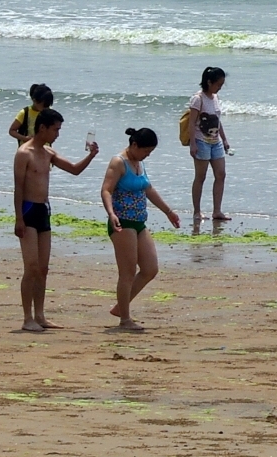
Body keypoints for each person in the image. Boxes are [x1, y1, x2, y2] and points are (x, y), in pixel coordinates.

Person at [10, 108, 98, 333]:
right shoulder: (24, 153)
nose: (58, 134)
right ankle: (27, 317)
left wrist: (91, 155)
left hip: (44, 211)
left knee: (43, 268)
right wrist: (19, 218)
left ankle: (40, 315)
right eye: (55, 129)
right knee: (30, 267)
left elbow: (74, 170)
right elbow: (18, 187)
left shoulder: (49, 153)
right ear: (43, 128)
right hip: (28, 210)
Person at [98, 126, 182, 332]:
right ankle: (125, 319)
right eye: (146, 151)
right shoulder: (119, 162)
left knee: (150, 269)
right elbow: (106, 190)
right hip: (122, 222)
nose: (147, 155)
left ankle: (121, 306)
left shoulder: (139, 163)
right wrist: (111, 213)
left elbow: (148, 189)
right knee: (127, 272)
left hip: (139, 221)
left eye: (150, 152)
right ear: (134, 145)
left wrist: (168, 211)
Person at [183, 65, 232, 229]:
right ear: (209, 82)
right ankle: (197, 211)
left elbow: (217, 120)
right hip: (201, 141)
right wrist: (193, 144)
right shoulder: (198, 99)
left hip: (215, 141)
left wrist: (224, 139)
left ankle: (217, 211)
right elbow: (191, 123)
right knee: (201, 176)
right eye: (218, 84)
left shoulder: (215, 97)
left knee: (221, 174)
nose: (220, 88)